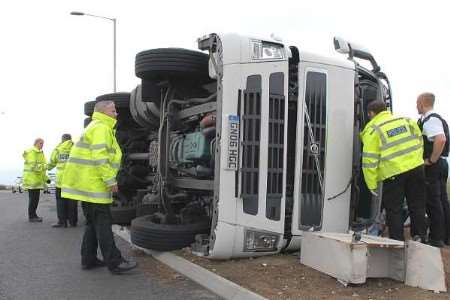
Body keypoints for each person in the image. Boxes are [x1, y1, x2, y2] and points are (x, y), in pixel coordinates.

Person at [61, 101, 137, 273]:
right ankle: (115, 262)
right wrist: (111, 181)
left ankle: (88, 259)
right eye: (113, 110)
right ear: (103, 112)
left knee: (92, 223)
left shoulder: (95, 127)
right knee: (103, 223)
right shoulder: (102, 128)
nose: (117, 114)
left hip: (87, 184)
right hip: (95, 185)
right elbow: (100, 157)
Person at [361, 100, 426, 242]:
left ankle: (397, 242)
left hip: (393, 173)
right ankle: (420, 238)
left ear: (371, 113)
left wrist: (371, 184)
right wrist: (417, 159)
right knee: (417, 205)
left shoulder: (373, 129)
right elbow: (420, 140)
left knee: (394, 209)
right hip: (416, 168)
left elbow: (369, 160)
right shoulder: (406, 120)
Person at [417, 92, 449, 247]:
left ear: (422, 103)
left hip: (434, 165)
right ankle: (444, 237)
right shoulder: (436, 119)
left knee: (433, 202)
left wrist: (431, 160)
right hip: (442, 165)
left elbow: (440, 139)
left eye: (417, 103)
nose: (416, 106)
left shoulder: (431, 120)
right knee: (442, 201)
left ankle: (436, 238)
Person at [47, 133, 77, 228]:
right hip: (73, 179)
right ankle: (73, 221)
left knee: (60, 201)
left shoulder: (58, 149)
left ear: (62, 140)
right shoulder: (76, 148)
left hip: (61, 180)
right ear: (70, 139)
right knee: (72, 200)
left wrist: (46, 168)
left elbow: (52, 162)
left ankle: (62, 222)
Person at [23, 138, 48, 222]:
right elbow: (33, 166)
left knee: (35, 199)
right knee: (33, 199)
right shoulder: (32, 152)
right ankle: (32, 217)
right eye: (41, 143)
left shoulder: (39, 152)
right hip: (32, 180)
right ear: (36, 143)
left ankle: (34, 215)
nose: (42, 145)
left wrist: (46, 179)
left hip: (36, 180)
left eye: (43, 143)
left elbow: (42, 170)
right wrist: (45, 166)